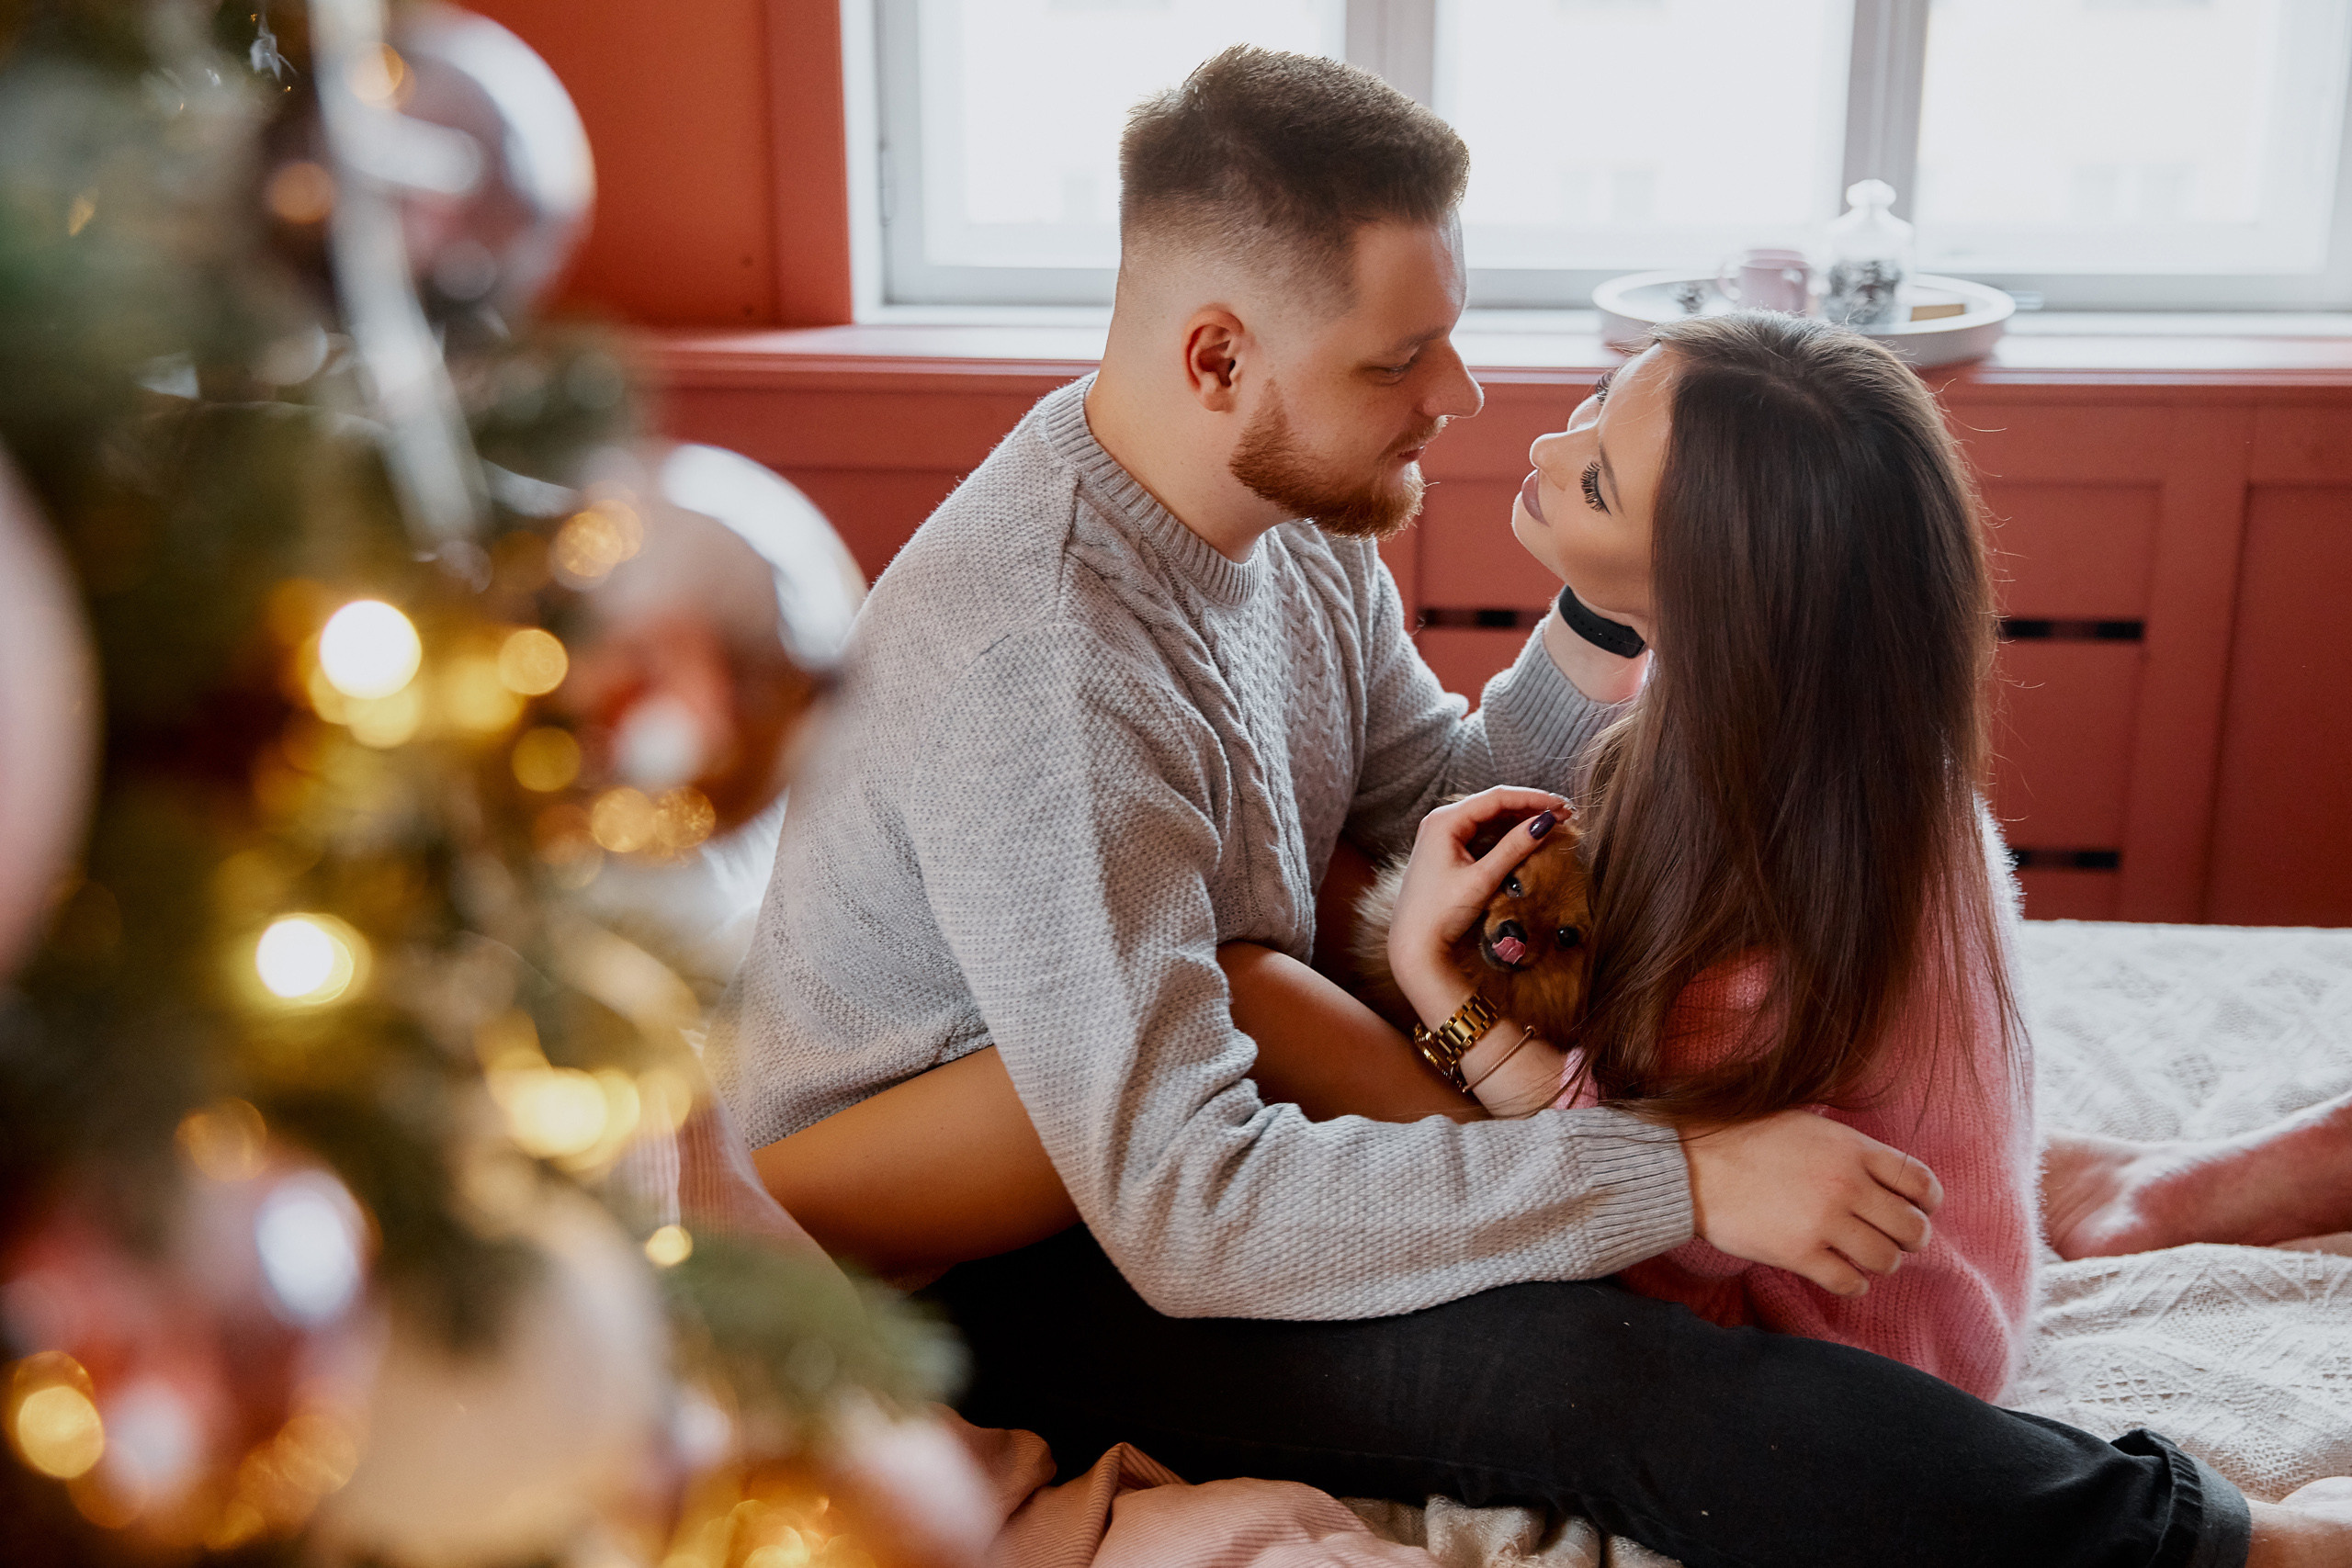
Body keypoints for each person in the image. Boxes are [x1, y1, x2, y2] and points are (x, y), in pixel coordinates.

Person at [721, 45, 2352, 1568]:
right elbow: (1185, 1208)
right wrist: (1678, 1180)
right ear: (1218, 357)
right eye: (1398, 359)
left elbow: (1448, 797)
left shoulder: (1285, 522)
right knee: (1588, 1362)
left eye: (1450, 329)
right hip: (986, 1255)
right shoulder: (1047, 664)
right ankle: (2222, 1543)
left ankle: (2035, 1180)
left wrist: (1620, 606)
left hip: (1165, 1105)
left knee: (1481, 1089)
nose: (1463, 397)